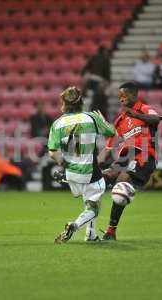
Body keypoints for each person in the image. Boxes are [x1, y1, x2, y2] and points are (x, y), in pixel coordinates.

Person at [48, 86, 116, 243]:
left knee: (90, 200)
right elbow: (112, 133)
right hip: (90, 170)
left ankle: (90, 236)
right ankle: (74, 225)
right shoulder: (91, 117)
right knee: (94, 207)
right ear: (81, 103)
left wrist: (63, 164)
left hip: (71, 172)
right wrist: (104, 121)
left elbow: (52, 152)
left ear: (65, 104)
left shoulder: (57, 124)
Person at [98, 81, 162, 240]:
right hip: (125, 156)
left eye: (124, 95)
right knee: (104, 175)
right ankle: (95, 222)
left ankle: (111, 230)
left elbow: (156, 120)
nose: (121, 99)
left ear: (134, 95)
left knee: (122, 181)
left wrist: (136, 115)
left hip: (144, 155)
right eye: (119, 96)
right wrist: (93, 165)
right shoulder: (119, 121)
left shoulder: (144, 109)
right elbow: (109, 147)